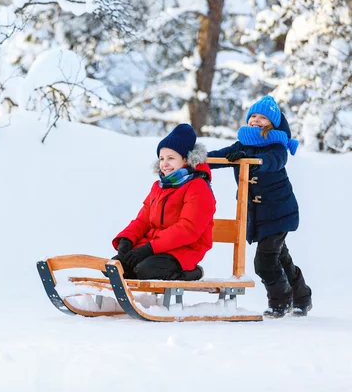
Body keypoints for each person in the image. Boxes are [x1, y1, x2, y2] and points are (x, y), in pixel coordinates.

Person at [207, 95, 312, 317]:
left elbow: (274, 161)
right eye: (253, 115)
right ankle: (302, 296)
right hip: (258, 215)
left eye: (262, 117)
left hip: (279, 213)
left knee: (264, 261)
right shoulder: (242, 143)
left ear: (272, 123)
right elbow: (217, 158)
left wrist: (252, 161)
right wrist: (193, 161)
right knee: (280, 257)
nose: (256, 120)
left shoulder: (276, 145)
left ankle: (280, 302)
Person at [111, 123, 216, 281]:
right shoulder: (159, 186)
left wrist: (149, 248)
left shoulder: (198, 187)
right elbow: (143, 220)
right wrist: (127, 239)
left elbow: (187, 230)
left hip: (183, 249)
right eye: (161, 158)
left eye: (171, 158)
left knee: (145, 271)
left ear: (186, 159)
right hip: (156, 247)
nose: (164, 164)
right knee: (116, 266)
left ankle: (192, 273)